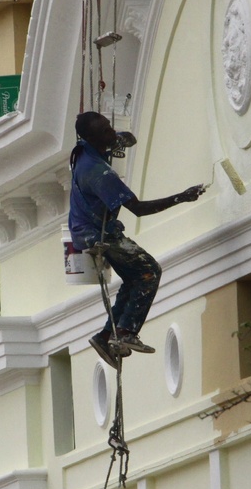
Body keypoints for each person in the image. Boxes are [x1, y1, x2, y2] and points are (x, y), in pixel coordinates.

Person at [68, 111, 205, 368]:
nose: (111, 132)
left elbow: (121, 139)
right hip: (99, 234)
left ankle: (107, 335)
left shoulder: (86, 151)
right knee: (149, 271)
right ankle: (127, 332)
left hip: (86, 231)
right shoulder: (99, 173)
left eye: (110, 128)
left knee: (133, 277)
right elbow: (139, 209)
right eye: (106, 131)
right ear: (94, 138)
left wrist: (122, 138)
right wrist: (181, 197)